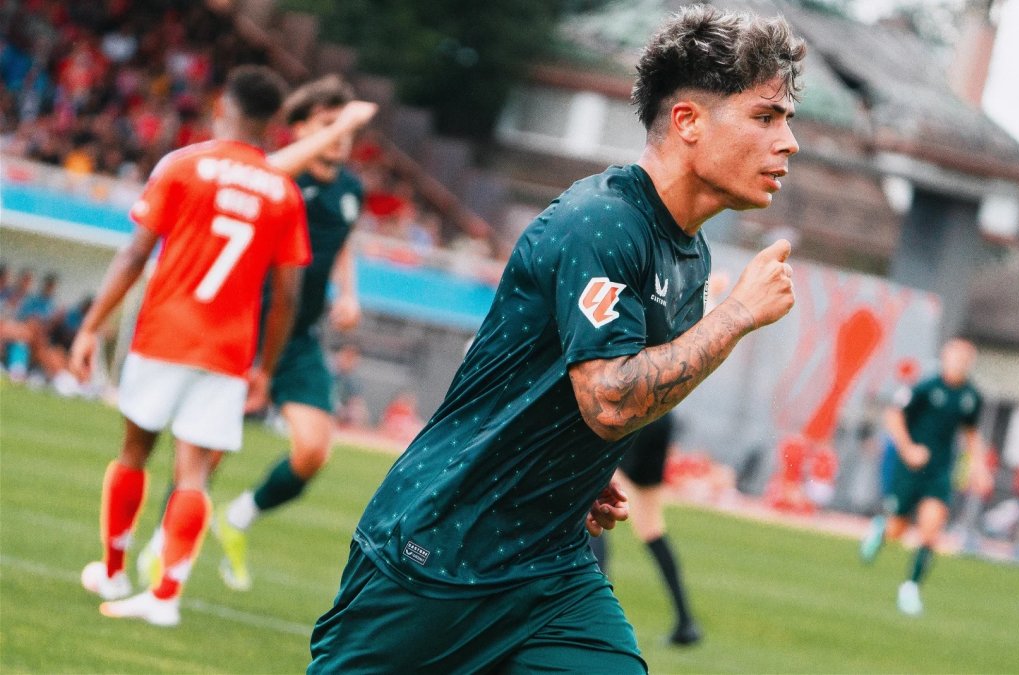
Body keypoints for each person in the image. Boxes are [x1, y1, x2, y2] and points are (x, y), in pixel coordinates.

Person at [308, 6, 804, 672]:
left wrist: (573, 470)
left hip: (550, 571)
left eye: (787, 120)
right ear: (687, 121)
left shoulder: (689, 257)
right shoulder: (601, 222)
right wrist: (736, 314)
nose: (789, 142)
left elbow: (604, 394)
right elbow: (610, 399)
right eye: (766, 117)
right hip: (441, 552)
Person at [70, 65, 313, 627]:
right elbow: (288, 297)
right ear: (275, 121)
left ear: (223, 107)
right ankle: (165, 598)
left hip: (164, 333)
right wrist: (266, 368)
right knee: (194, 474)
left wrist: (92, 325)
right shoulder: (282, 190)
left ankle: (112, 568)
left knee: (135, 451)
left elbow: (135, 253)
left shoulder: (183, 165)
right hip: (228, 350)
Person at [135, 76, 375, 592]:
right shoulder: (273, 176)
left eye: (346, 127)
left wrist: (348, 292)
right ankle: (163, 543)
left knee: (313, 450)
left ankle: (239, 516)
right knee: (206, 453)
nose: (341, 137)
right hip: (246, 331)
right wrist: (344, 122)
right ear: (299, 128)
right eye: (328, 125)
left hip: (300, 336)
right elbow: (268, 171)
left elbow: (344, 243)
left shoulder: (351, 189)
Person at [859, 339, 992, 616]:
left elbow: (971, 434)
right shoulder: (925, 388)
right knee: (898, 529)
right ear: (945, 358)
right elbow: (893, 417)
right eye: (955, 358)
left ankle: (910, 588)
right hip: (910, 469)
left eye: (965, 360)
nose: (959, 364)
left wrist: (978, 468)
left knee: (931, 530)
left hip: (940, 471)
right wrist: (908, 449)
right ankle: (882, 529)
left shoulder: (971, 397)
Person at [590, 411, 702, 646]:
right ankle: (686, 622)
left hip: (631, 412)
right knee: (650, 526)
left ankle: (595, 615)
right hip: (660, 414)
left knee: (594, 508)